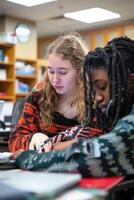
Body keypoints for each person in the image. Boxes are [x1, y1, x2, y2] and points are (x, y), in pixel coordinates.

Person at [13, 36, 134, 178]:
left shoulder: (104, 107)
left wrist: (30, 158)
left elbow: (95, 154)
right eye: (51, 71)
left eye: (102, 87)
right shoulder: (39, 94)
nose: (97, 97)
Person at [8, 32, 88, 152]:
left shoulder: (95, 97)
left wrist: (52, 146)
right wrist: (33, 138)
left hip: (80, 168)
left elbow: (97, 143)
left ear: (80, 71)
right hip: (40, 169)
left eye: (63, 72)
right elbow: (14, 141)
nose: (55, 80)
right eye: (51, 71)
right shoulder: (39, 94)